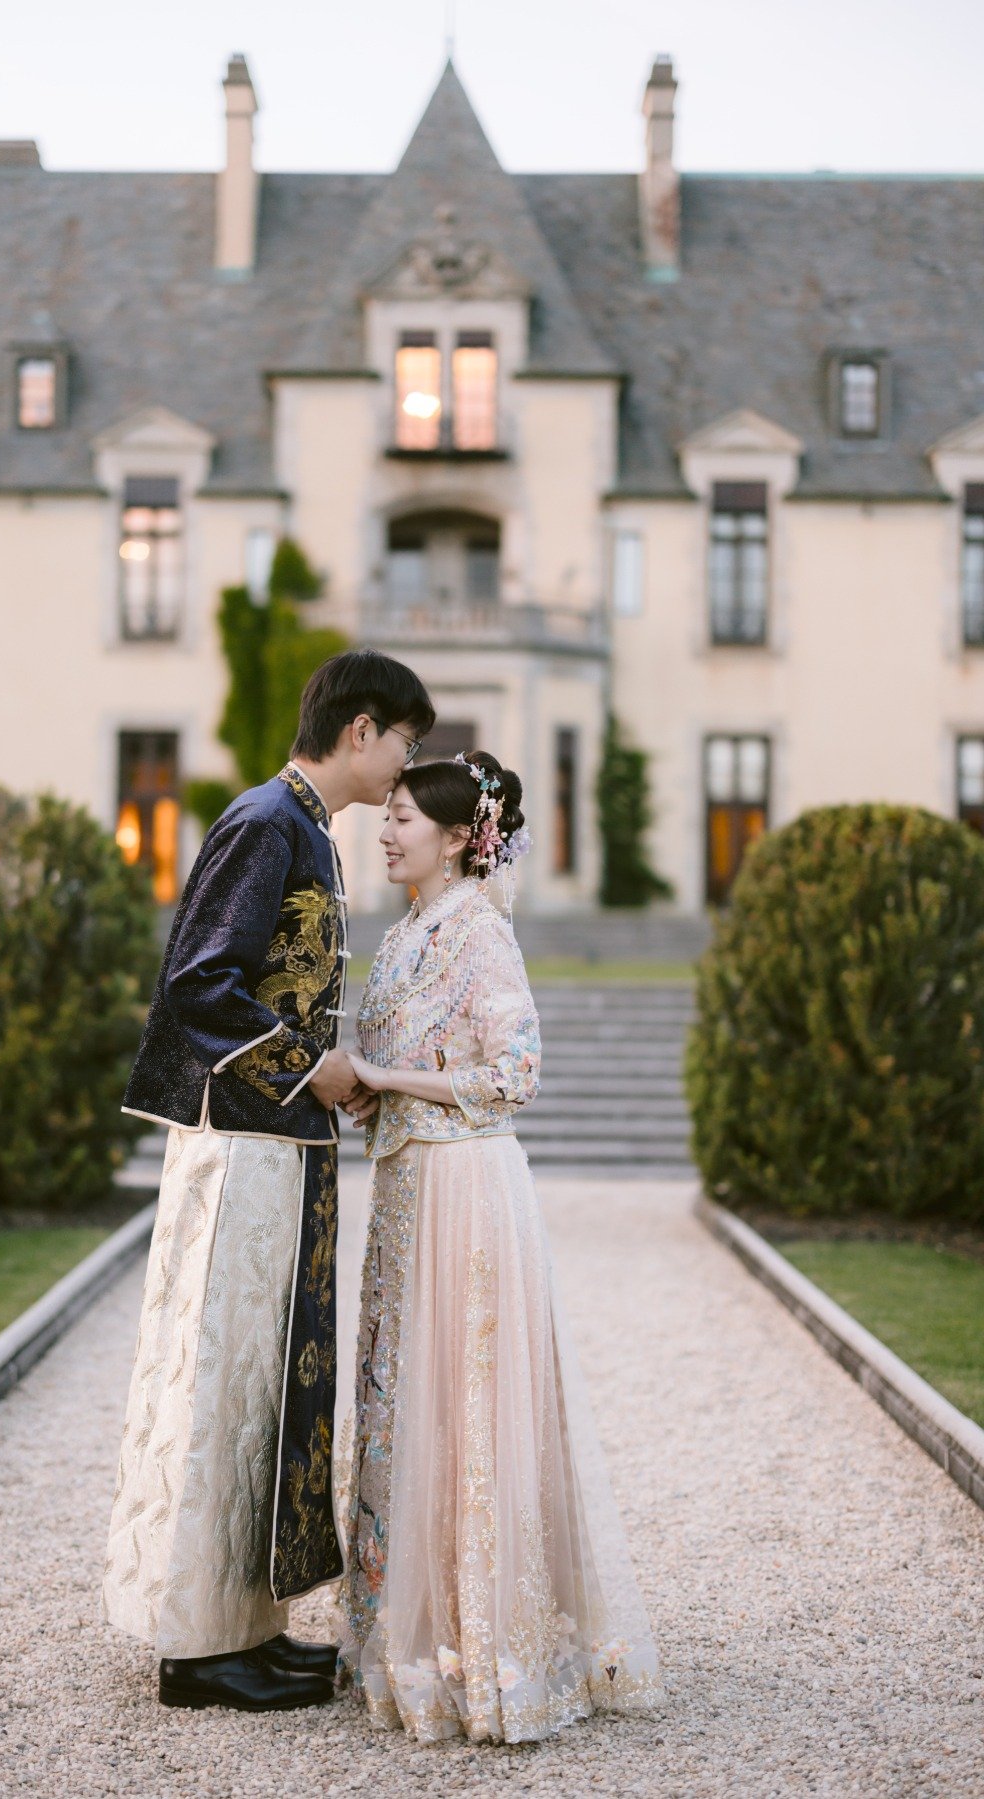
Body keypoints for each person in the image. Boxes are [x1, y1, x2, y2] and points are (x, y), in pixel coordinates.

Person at [102, 649, 435, 1713]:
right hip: (240, 1150)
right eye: (403, 743)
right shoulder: (265, 823)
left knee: (269, 1383)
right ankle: (197, 1648)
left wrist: (338, 1073)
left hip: (280, 1146)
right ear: (360, 729)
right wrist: (317, 1066)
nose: (405, 766)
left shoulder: (307, 831)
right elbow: (198, 984)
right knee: (226, 1379)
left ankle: (247, 1619)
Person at [337, 750, 667, 1744]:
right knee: (408, 1399)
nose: (386, 830)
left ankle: (486, 1645)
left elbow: (517, 1070)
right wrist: (368, 1083)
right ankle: (413, 1625)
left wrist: (390, 1079)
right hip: (405, 1185)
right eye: (386, 815)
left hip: (465, 1188)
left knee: (465, 1407)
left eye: (401, 818)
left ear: (452, 835)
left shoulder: (480, 932)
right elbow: (400, 1061)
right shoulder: (398, 937)